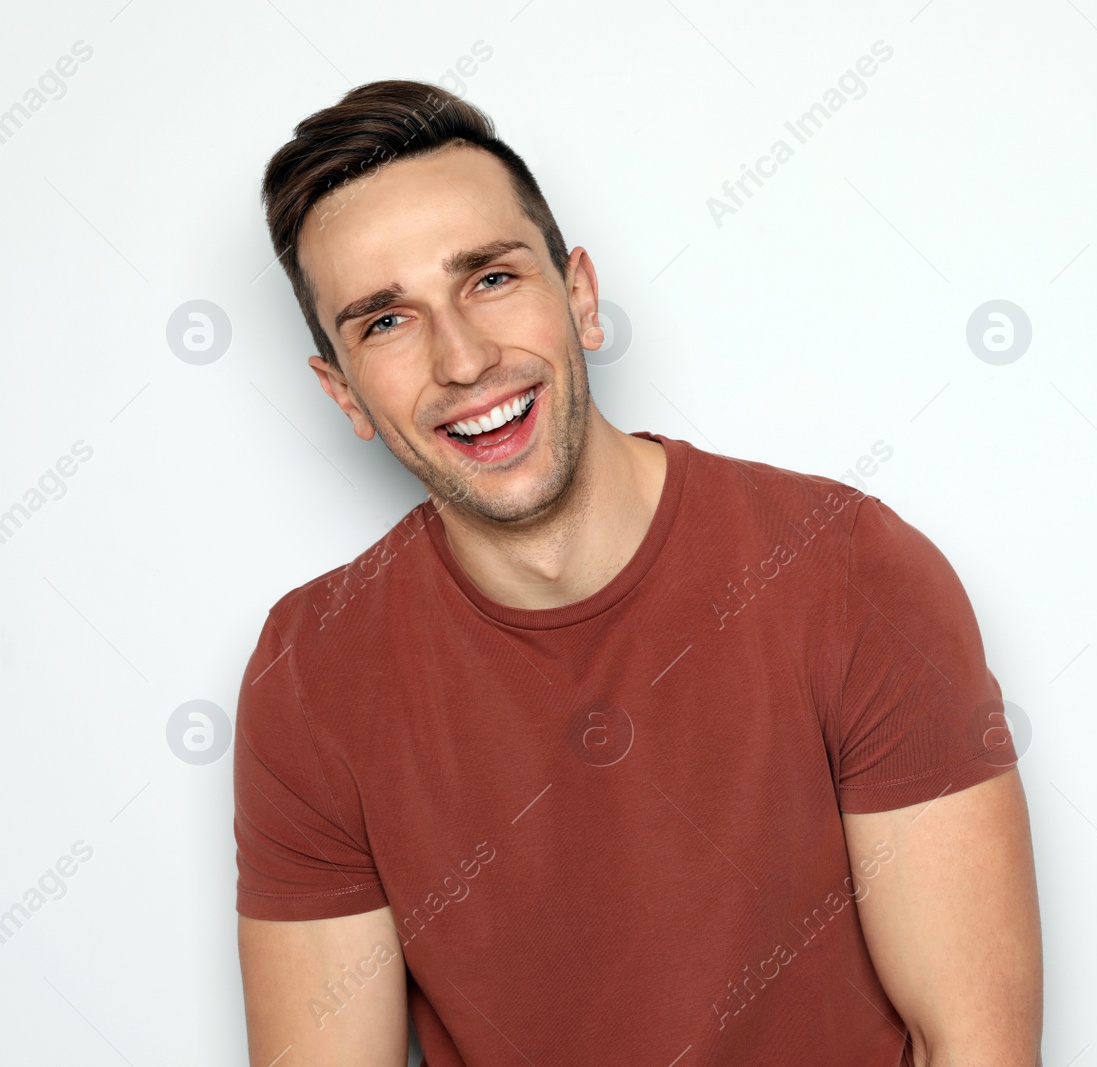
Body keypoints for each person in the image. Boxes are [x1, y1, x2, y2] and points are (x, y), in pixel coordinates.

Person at [234, 79, 1042, 1067]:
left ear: (579, 296)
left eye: (490, 279)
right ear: (344, 392)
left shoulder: (849, 572)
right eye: (385, 322)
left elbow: (974, 1045)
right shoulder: (314, 670)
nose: (462, 358)